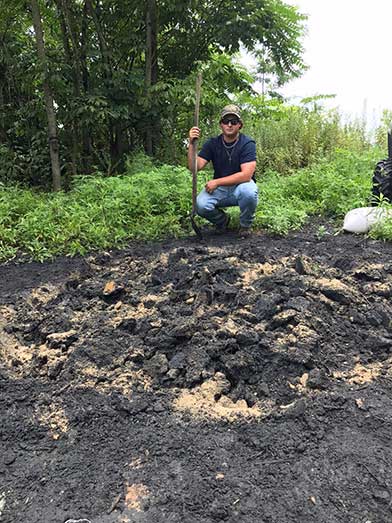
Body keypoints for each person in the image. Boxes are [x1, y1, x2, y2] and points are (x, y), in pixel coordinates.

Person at [188, 104, 258, 237]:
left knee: (249, 192)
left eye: (234, 121)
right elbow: (194, 167)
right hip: (221, 190)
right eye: (226, 121)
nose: (230, 125)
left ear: (240, 125)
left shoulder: (247, 144)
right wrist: (191, 144)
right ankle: (222, 221)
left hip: (240, 186)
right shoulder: (212, 143)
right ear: (221, 124)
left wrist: (217, 182)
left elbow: (246, 175)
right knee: (201, 205)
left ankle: (245, 226)